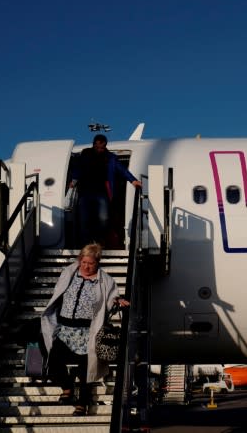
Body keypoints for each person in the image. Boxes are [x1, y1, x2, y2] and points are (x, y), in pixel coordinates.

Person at [40, 243, 130, 416]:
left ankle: (82, 404)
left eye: (91, 263)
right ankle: (67, 388)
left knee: (85, 369)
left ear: (98, 263)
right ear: (80, 260)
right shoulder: (70, 273)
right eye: (84, 262)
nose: (86, 266)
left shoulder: (105, 280)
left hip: (86, 332)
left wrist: (118, 301)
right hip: (65, 329)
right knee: (53, 358)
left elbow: (111, 297)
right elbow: (59, 292)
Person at [70, 134, 142, 248]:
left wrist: (133, 180)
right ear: (93, 144)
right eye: (97, 147)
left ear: (105, 146)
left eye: (102, 147)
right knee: (84, 219)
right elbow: (78, 168)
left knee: (104, 219)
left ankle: (99, 242)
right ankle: (85, 246)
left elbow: (122, 170)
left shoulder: (110, 157)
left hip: (101, 193)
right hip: (86, 193)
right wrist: (73, 181)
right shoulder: (85, 154)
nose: (100, 149)